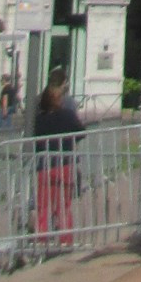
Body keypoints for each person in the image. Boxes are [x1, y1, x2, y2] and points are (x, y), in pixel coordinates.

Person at [32, 72, 84, 247]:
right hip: (64, 164)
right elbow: (81, 132)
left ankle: (41, 238)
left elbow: (34, 138)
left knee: (43, 206)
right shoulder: (68, 115)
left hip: (43, 165)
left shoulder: (39, 119)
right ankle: (65, 239)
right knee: (63, 205)